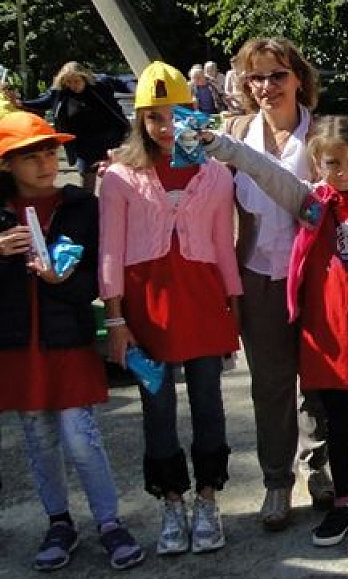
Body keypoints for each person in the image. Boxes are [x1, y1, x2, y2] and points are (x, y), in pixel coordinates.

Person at [202, 88, 348, 547]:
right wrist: (221, 147)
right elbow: (264, 171)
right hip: (325, 332)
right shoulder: (309, 202)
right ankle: (345, 501)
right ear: (317, 164)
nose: (343, 171)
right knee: (336, 420)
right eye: (332, 163)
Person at [99, 62, 241, 556]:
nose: (164, 126)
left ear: (192, 113)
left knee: (208, 403)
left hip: (204, 304)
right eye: (153, 116)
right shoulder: (118, 177)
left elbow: (225, 244)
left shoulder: (217, 174)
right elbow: (111, 252)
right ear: (140, 120)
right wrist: (115, 319)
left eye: (173, 114)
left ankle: (207, 498)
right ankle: (172, 501)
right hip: (147, 311)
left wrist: (234, 310)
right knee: (157, 409)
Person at [0, 112, 146, 572]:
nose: (46, 162)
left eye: (49, 151)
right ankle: (58, 522)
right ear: (7, 164)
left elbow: (95, 283)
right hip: (18, 346)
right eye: (32, 155)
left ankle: (109, 523)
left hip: (69, 342)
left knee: (80, 437)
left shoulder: (82, 205)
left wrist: (58, 280)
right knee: (38, 438)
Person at [222, 38, 332, 530]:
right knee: (270, 385)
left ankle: (317, 467)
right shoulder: (235, 133)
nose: (267, 86)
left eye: (278, 75)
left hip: (313, 277)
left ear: (298, 78)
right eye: (256, 77)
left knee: (317, 379)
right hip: (258, 276)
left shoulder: (321, 135)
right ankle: (276, 482)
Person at [47, 62, 129, 194]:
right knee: (87, 188)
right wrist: (20, 103)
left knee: (116, 182)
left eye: (76, 81)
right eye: (69, 82)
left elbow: (123, 83)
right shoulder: (62, 95)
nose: (73, 85)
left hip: (109, 142)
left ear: (84, 77)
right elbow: (42, 102)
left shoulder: (100, 85)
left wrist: (136, 89)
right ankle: (89, 210)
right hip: (85, 148)